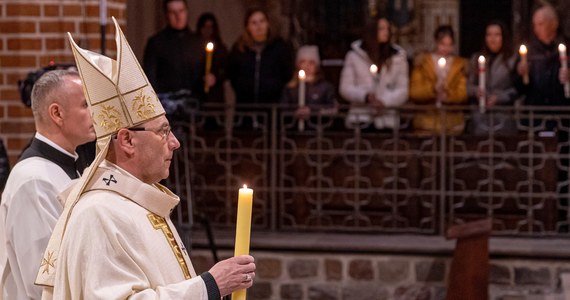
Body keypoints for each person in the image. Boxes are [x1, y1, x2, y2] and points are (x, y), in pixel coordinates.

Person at [35, 17, 255, 299]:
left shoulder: (139, 202)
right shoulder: (99, 213)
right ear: (126, 140)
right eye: (163, 132)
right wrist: (210, 285)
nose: (175, 143)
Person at [0, 70, 96, 299]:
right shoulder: (34, 181)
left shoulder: (68, 168)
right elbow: (42, 281)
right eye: (86, 104)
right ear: (57, 113)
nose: (97, 112)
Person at [339, 16, 409, 130]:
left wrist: (384, 102)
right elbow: (345, 88)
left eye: (387, 29)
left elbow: (403, 90)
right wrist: (366, 97)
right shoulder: (354, 56)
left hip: (387, 121)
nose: (386, 32)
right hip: (360, 119)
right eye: (381, 29)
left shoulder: (398, 58)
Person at [143, 0, 213, 112]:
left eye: (181, 11)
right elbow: (150, 77)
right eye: (172, 12)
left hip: (195, 109)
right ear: (166, 15)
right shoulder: (156, 43)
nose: (178, 16)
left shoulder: (198, 42)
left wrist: (210, 79)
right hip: (166, 108)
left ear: (187, 12)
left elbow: (207, 72)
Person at [410, 25, 468, 135]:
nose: (445, 49)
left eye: (449, 45)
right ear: (436, 43)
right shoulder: (422, 63)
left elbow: (462, 93)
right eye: (442, 44)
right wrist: (432, 90)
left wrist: (448, 96)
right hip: (426, 122)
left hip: (452, 124)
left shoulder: (459, 66)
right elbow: (415, 91)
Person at [228, 7, 293, 105]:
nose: (259, 26)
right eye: (254, 23)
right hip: (245, 106)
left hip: (272, 106)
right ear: (247, 27)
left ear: (268, 24)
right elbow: (232, 73)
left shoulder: (279, 47)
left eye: (262, 21)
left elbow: (287, 73)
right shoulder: (239, 49)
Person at [466, 21, 519, 136]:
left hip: (503, 118)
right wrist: (476, 91)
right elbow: (468, 86)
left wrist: (499, 97)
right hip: (480, 119)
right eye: (489, 35)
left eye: (496, 35)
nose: (492, 39)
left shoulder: (512, 60)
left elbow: (517, 89)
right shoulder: (476, 59)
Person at [517, 5, 569, 109]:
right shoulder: (530, 51)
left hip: (562, 111)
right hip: (536, 111)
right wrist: (520, 74)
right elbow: (520, 87)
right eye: (534, 25)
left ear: (554, 24)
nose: (536, 29)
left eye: (541, 24)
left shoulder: (567, 47)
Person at [281, 45, 338, 128]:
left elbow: (331, 109)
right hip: (292, 132)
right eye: (303, 62)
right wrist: (295, 113)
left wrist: (312, 111)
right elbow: (283, 109)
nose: (307, 66)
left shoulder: (325, 87)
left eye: (311, 62)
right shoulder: (290, 88)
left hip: (318, 131)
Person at [196, 12, 229, 104]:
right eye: (205, 27)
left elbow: (227, 70)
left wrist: (216, 77)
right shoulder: (194, 48)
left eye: (210, 27)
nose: (208, 30)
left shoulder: (221, 49)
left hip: (216, 98)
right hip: (198, 96)